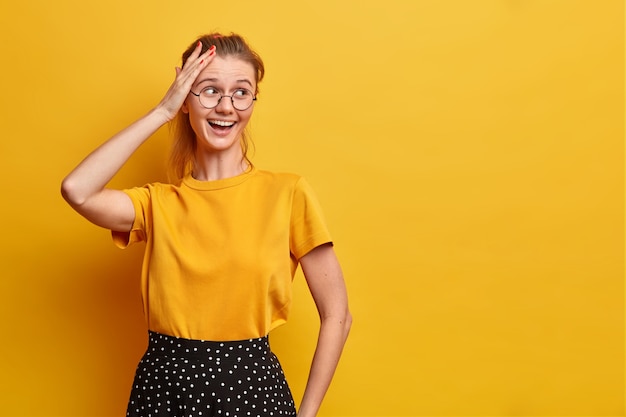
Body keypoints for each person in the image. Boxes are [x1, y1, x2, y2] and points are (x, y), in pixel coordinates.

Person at [61, 32, 351, 417]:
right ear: (186, 99)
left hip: (253, 392)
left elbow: (337, 314)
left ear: (253, 100)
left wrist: (308, 412)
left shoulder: (288, 193)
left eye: (241, 92)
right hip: (163, 392)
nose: (226, 106)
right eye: (209, 90)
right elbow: (77, 189)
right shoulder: (157, 203)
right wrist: (162, 111)